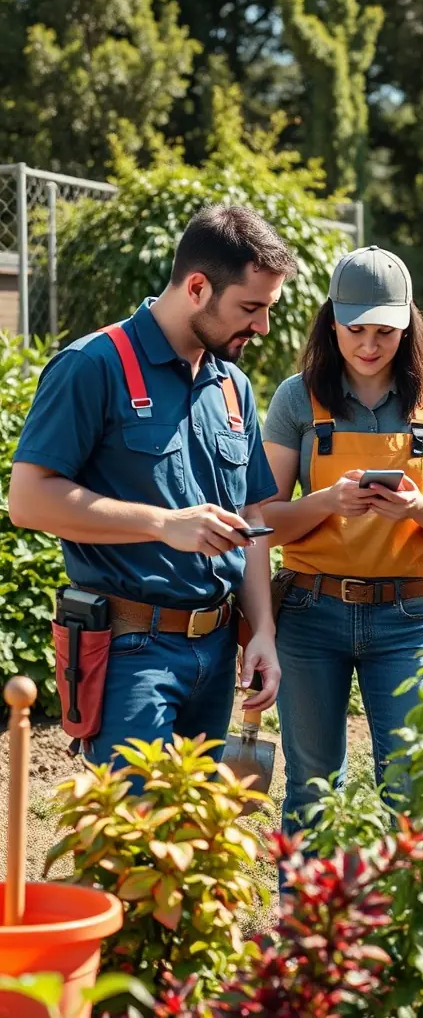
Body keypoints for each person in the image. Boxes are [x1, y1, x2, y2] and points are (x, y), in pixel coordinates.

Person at [9, 204, 292, 766]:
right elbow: (28, 499)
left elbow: (253, 516)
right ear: (196, 286)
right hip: (127, 649)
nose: (261, 327)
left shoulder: (233, 385)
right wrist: (163, 524)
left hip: (216, 647)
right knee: (132, 839)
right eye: (251, 308)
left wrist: (261, 630)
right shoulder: (92, 365)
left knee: (196, 843)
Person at [261, 244, 423, 835]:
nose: (368, 344)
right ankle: (309, 927)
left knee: (412, 786)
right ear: (330, 321)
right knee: (311, 787)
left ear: (408, 324)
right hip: (309, 612)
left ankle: (403, 926)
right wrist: (327, 502)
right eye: (354, 329)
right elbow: (261, 520)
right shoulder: (295, 397)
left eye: (385, 331)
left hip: (409, 615)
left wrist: (418, 507)